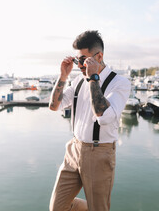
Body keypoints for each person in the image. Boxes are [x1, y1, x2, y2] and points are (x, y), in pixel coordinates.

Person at [49, 30, 131, 211]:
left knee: (99, 207)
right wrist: (63, 76)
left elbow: (104, 115)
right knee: (57, 207)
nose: (79, 65)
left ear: (99, 56)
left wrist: (93, 77)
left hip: (99, 152)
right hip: (74, 149)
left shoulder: (120, 83)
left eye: (83, 60)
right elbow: (54, 106)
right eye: (77, 60)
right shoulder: (78, 80)